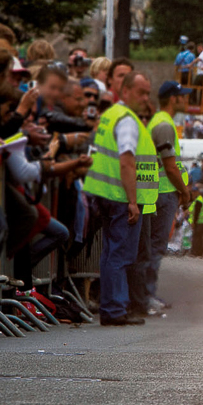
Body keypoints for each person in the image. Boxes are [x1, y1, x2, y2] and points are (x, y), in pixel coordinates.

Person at [82, 70, 160, 326]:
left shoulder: (111, 114)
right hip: (118, 196)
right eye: (140, 92)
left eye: (148, 93)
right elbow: (127, 161)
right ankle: (115, 309)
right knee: (120, 255)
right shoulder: (127, 120)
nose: (145, 98)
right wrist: (133, 201)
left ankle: (111, 306)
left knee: (109, 253)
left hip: (103, 193)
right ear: (125, 91)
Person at [139, 81, 192, 311]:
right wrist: (185, 190)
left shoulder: (161, 122)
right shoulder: (164, 124)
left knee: (152, 246)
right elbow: (170, 167)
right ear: (173, 99)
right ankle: (146, 295)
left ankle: (144, 294)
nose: (186, 100)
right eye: (183, 96)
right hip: (163, 192)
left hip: (159, 192)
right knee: (155, 247)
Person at [188, 187, 203, 257]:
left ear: (197, 192)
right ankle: (199, 252)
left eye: (194, 192)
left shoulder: (198, 200)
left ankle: (196, 252)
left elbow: (197, 212)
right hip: (201, 221)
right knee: (199, 237)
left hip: (199, 222)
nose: (192, 193)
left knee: (197, 237)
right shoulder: (199, 199)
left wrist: (194, 222)